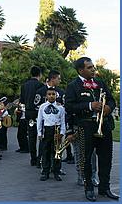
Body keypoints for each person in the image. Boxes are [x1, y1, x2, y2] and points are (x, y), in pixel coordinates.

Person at [65, 57, 119, 201]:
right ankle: (88, 188)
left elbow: (112, 99)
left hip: (104, 126)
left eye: (93, 66)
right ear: (80, 70)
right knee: (86, 159)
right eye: (89, 67)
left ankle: (104, 188)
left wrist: (109, 107)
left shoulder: (100, 82)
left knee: (106, 158)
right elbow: (69, 107)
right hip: (85, 127)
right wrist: (89, 106)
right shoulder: (73, 86)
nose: (93, 69)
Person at [37, 88, 66, 182]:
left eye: (53, 94)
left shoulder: (60, 107)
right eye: (49, 94)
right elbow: (39, 120)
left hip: (56, 130)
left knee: (57, 152)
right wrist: (39, 132)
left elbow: (63, 121)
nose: (51, 96)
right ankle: (45, 171)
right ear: (46, 96)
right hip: (47, 130)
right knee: (45, 151)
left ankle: (57, 171)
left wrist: (62, 133)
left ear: (56, 96)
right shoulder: (42, 107)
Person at [20, 66, 44, 166]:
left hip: (28, 112)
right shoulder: (41, 85)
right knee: (41, 135)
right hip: (38, 112)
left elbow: (22, 101)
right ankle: (40, 158)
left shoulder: (24, 85)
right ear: (40, 74)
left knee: (31, 135)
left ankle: (33, 158)